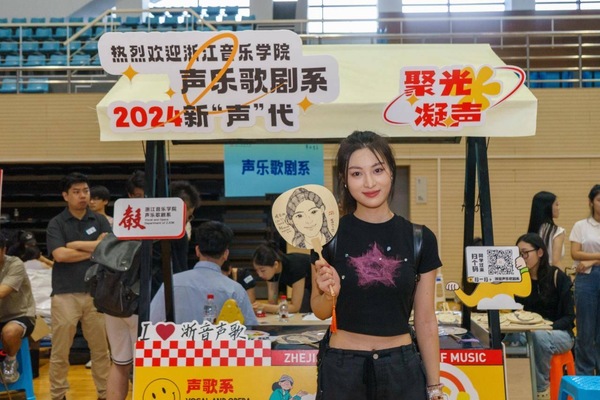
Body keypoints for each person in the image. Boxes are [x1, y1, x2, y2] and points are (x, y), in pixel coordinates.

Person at [311, 131, 443, 400]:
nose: (369, 182)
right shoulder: (326, 236)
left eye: (378, 170)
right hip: (343, 369)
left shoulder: (420, 239)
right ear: (344, 180)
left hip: (401, 369)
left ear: (391, 172)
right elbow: (320, 311)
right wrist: (328, 293)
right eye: (356, 173)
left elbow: (426, 320)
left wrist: (434, 386)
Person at [46, 172, 111, 400]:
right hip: (65, 294)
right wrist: (94, 249)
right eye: (76, 192)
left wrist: (75, 245)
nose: (83, 196)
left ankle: (105, 394)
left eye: (86, 191)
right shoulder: (56, 223)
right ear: (65, 196)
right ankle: (58, 395)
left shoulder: (100, 220)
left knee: (101, 350)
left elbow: (108, 250)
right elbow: (60, 255)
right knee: (60, 351)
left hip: (97, 293)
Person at [150, 221, 257, 326]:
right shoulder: (235, 290)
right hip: (219, 338)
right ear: (226, 254)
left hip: (179, 338)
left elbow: (151, 322)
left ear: (197, 250)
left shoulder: (172, 283)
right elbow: (250, 329)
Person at [510, 233, 575, 399]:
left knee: (538, 337)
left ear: (540, 252)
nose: (521, 258)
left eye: (525, 253)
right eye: (517, 254)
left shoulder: (557, 277)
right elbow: (515, 313)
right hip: (529, 332)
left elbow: (569, 317)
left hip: (560, 333)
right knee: (506, 338)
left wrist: (546, 327)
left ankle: (541, 390)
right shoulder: (518, 280)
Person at [569, 183, 600, 375]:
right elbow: (575, 253)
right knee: (585, 329)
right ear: (591, 202)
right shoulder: (581, 226)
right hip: (587, 280)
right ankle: (585, 373)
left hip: (590, 268)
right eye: (599, 200)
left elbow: (583, 256)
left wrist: (591, 260)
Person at [0, 232, 36, 384]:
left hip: (20, 315)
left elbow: (2, 291)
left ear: (4, 250)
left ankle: (10, 361)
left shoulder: (15, 264)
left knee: (9, 332)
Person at [252, 241, 312, 314]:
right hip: (307, 288)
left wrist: (264, 307)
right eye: (256, 270)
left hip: (319, 287)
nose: (260, 275)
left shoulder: (295, 266)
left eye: (262, 270)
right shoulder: (272, 272)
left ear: (276, 264)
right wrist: (264, 307)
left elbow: (295, 307)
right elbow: (272, 301)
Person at [528, 191, 565, 267]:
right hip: (549, 272)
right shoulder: (557, 231)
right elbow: (556, 262)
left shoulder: (532, 232)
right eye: (556, 204)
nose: (559, 208)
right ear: (547, 207)